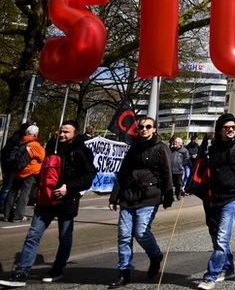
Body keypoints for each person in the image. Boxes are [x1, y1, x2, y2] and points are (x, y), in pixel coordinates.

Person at [0, 121, 96, 286]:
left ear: (75, 133)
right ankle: (21, 272)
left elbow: (88, 176)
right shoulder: (52, 145)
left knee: (64, 237)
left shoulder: (81, 150)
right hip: (45, 200)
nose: (63, 134)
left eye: (67, 132)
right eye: (61, 131)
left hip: (66, 201)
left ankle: (57, 269)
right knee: (32, 236)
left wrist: (69, 187)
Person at [108, 116, 173, 288]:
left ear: (154, 129)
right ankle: (124, 272)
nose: (144, 129)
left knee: (141, 232)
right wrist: (114, 197)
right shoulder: (133, 148)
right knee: (124, 235)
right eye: (141, 127)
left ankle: (155, 256)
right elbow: (122, 173)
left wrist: (168, 195)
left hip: (149, 196)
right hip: (128, 196)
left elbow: (167, 172)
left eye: (148, 126)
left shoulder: (161, 148)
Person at [195, 113, 235, 289]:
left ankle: (210, 276)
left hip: (231, 198)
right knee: (215, 236)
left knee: (222, 239)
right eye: (226, 127)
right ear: (219, 129)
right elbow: (201, 169)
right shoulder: (211, 148)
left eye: (233, 128)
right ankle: (228, 267)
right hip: (212, 198)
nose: (230, 130)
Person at [3, 125, 45, 223]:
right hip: (30, 172)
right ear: (35, 134)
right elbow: (42, 157)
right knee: (24, 194)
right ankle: (18, 216)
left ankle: (7, 214)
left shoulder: (21, 142)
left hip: (17, 171)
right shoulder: (36, 145)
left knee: (12, 192)